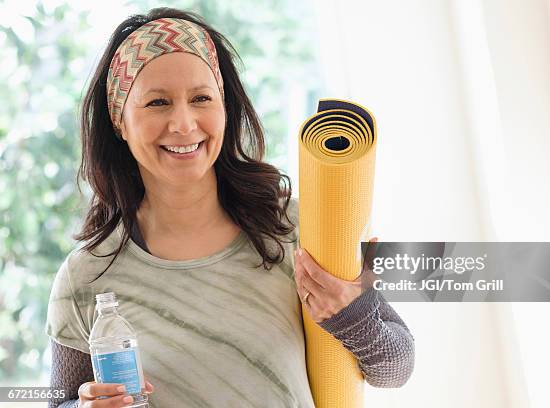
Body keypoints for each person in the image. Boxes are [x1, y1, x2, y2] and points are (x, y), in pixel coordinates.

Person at [45, 7, 415, 408]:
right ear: (119, 119)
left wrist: (353, 313)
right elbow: (59, 401)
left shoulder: (294, 228)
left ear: (223, 106)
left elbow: (395, 369)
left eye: (201, 98)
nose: (184, 123)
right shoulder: (86, 277)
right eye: (157, 103)